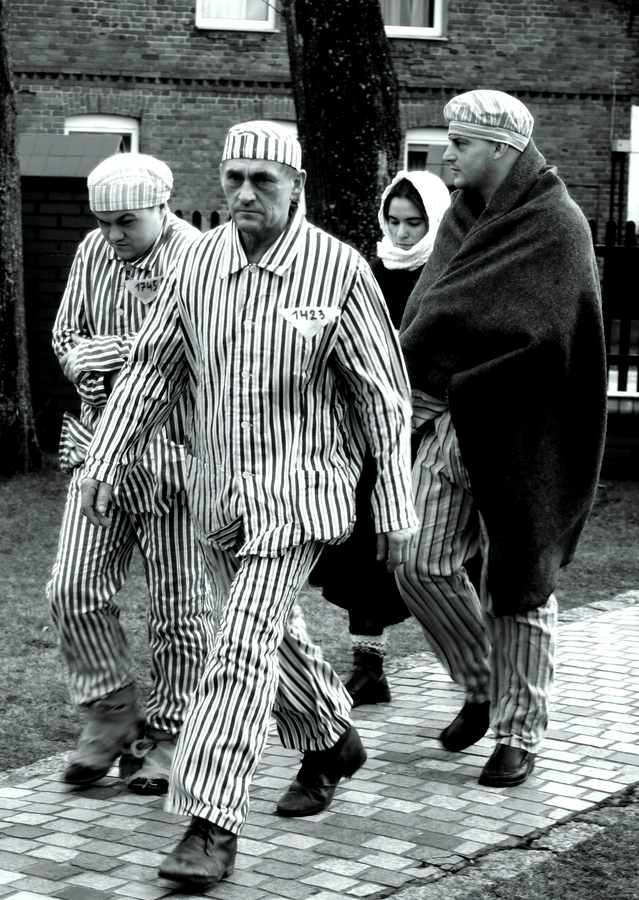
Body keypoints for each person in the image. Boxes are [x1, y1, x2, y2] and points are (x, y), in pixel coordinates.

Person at [79, 121, 417, 889]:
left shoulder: (336, 270)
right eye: (233, 176)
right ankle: (331, 741)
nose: (243, 192)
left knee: (236, 649)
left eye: (263, 179)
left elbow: (382, 398)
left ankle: (210, 823)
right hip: (218, 494)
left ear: (296, 186)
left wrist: (395, 503)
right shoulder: (197, 265)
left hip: (298, 494)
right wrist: (107, 457)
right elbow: (153, 370)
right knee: (270, 636)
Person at [397, 90, 607, 788]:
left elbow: (554, 340)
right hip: (448, 423)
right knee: (416, 562)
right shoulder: (460, 217)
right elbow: (431, 312)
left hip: (522, 433)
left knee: (518, 582)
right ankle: (482, 682)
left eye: (460, 142)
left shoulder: (556, 224)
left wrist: (464, 376)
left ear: (502, 147)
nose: (446, 155)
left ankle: (519, 732)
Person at [47, 154, 213, 796]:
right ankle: (110, 715)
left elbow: (186, 348)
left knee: (180, 610)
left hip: (177, 458)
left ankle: (168, 736)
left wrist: (108, 355)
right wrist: (81, 363)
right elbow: (66, 333)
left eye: (127, 221)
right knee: (72, 589)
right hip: (98, 454)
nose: (113, 234)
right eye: (103, 221)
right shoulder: (92, 252)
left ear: (162, 207)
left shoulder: (199, 258)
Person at [317, 171, 451, 707]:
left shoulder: (446, 273)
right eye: (393, 220)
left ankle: (473, 666)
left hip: (425, 433)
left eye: (413, 222)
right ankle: (368, 665)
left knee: (432, 554)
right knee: (361, 551)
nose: (400, 233)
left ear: (434, 220)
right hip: (368, 431)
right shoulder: (371, 272)